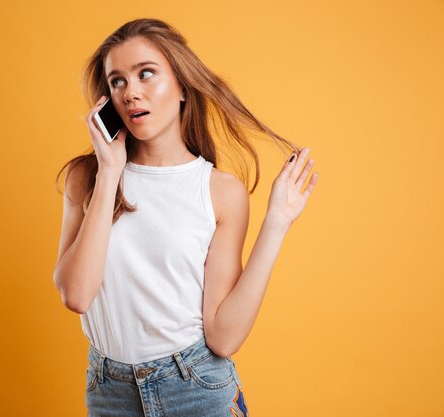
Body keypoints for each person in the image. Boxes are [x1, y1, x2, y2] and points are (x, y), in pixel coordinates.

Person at [53, 17, 318, 417]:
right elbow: (76, 295)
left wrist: (277, 221)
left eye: (146, 74)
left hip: (195, 387)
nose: (131, 93)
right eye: (117, 82)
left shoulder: (219, 191)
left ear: (181, 85)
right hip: (110, 392)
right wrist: (109, 172)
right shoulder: (86, 178)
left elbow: (223, 337)